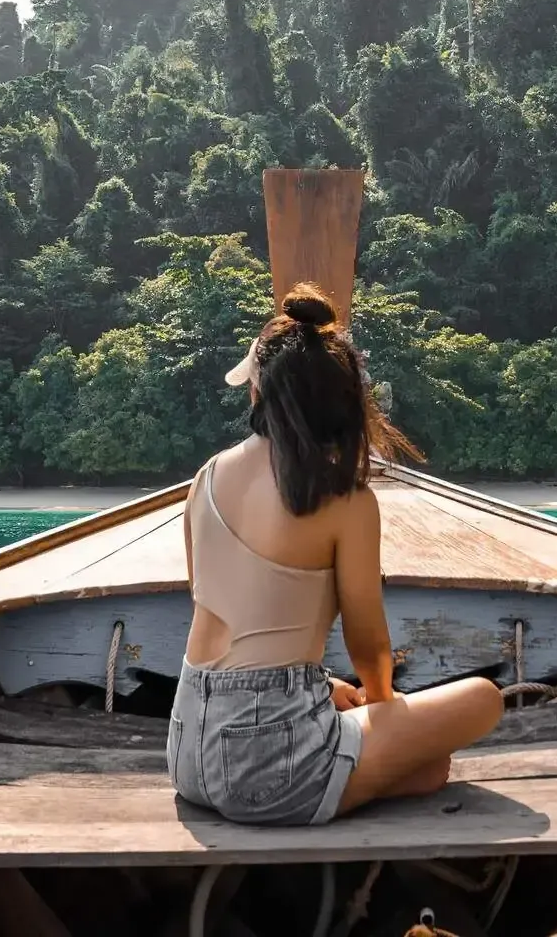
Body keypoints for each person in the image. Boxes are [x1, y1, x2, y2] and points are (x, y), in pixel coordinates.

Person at [167, 284, 503, 826]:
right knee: (482, 699)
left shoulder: (205, 479)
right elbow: (368, 642)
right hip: (272, 765)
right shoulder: (345, 499)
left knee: (429, 770)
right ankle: (343, 775)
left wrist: (322, 685)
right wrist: (379, 703)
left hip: (187, 748)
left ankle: (354, 768)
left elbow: (217, 607)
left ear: (258, 394)